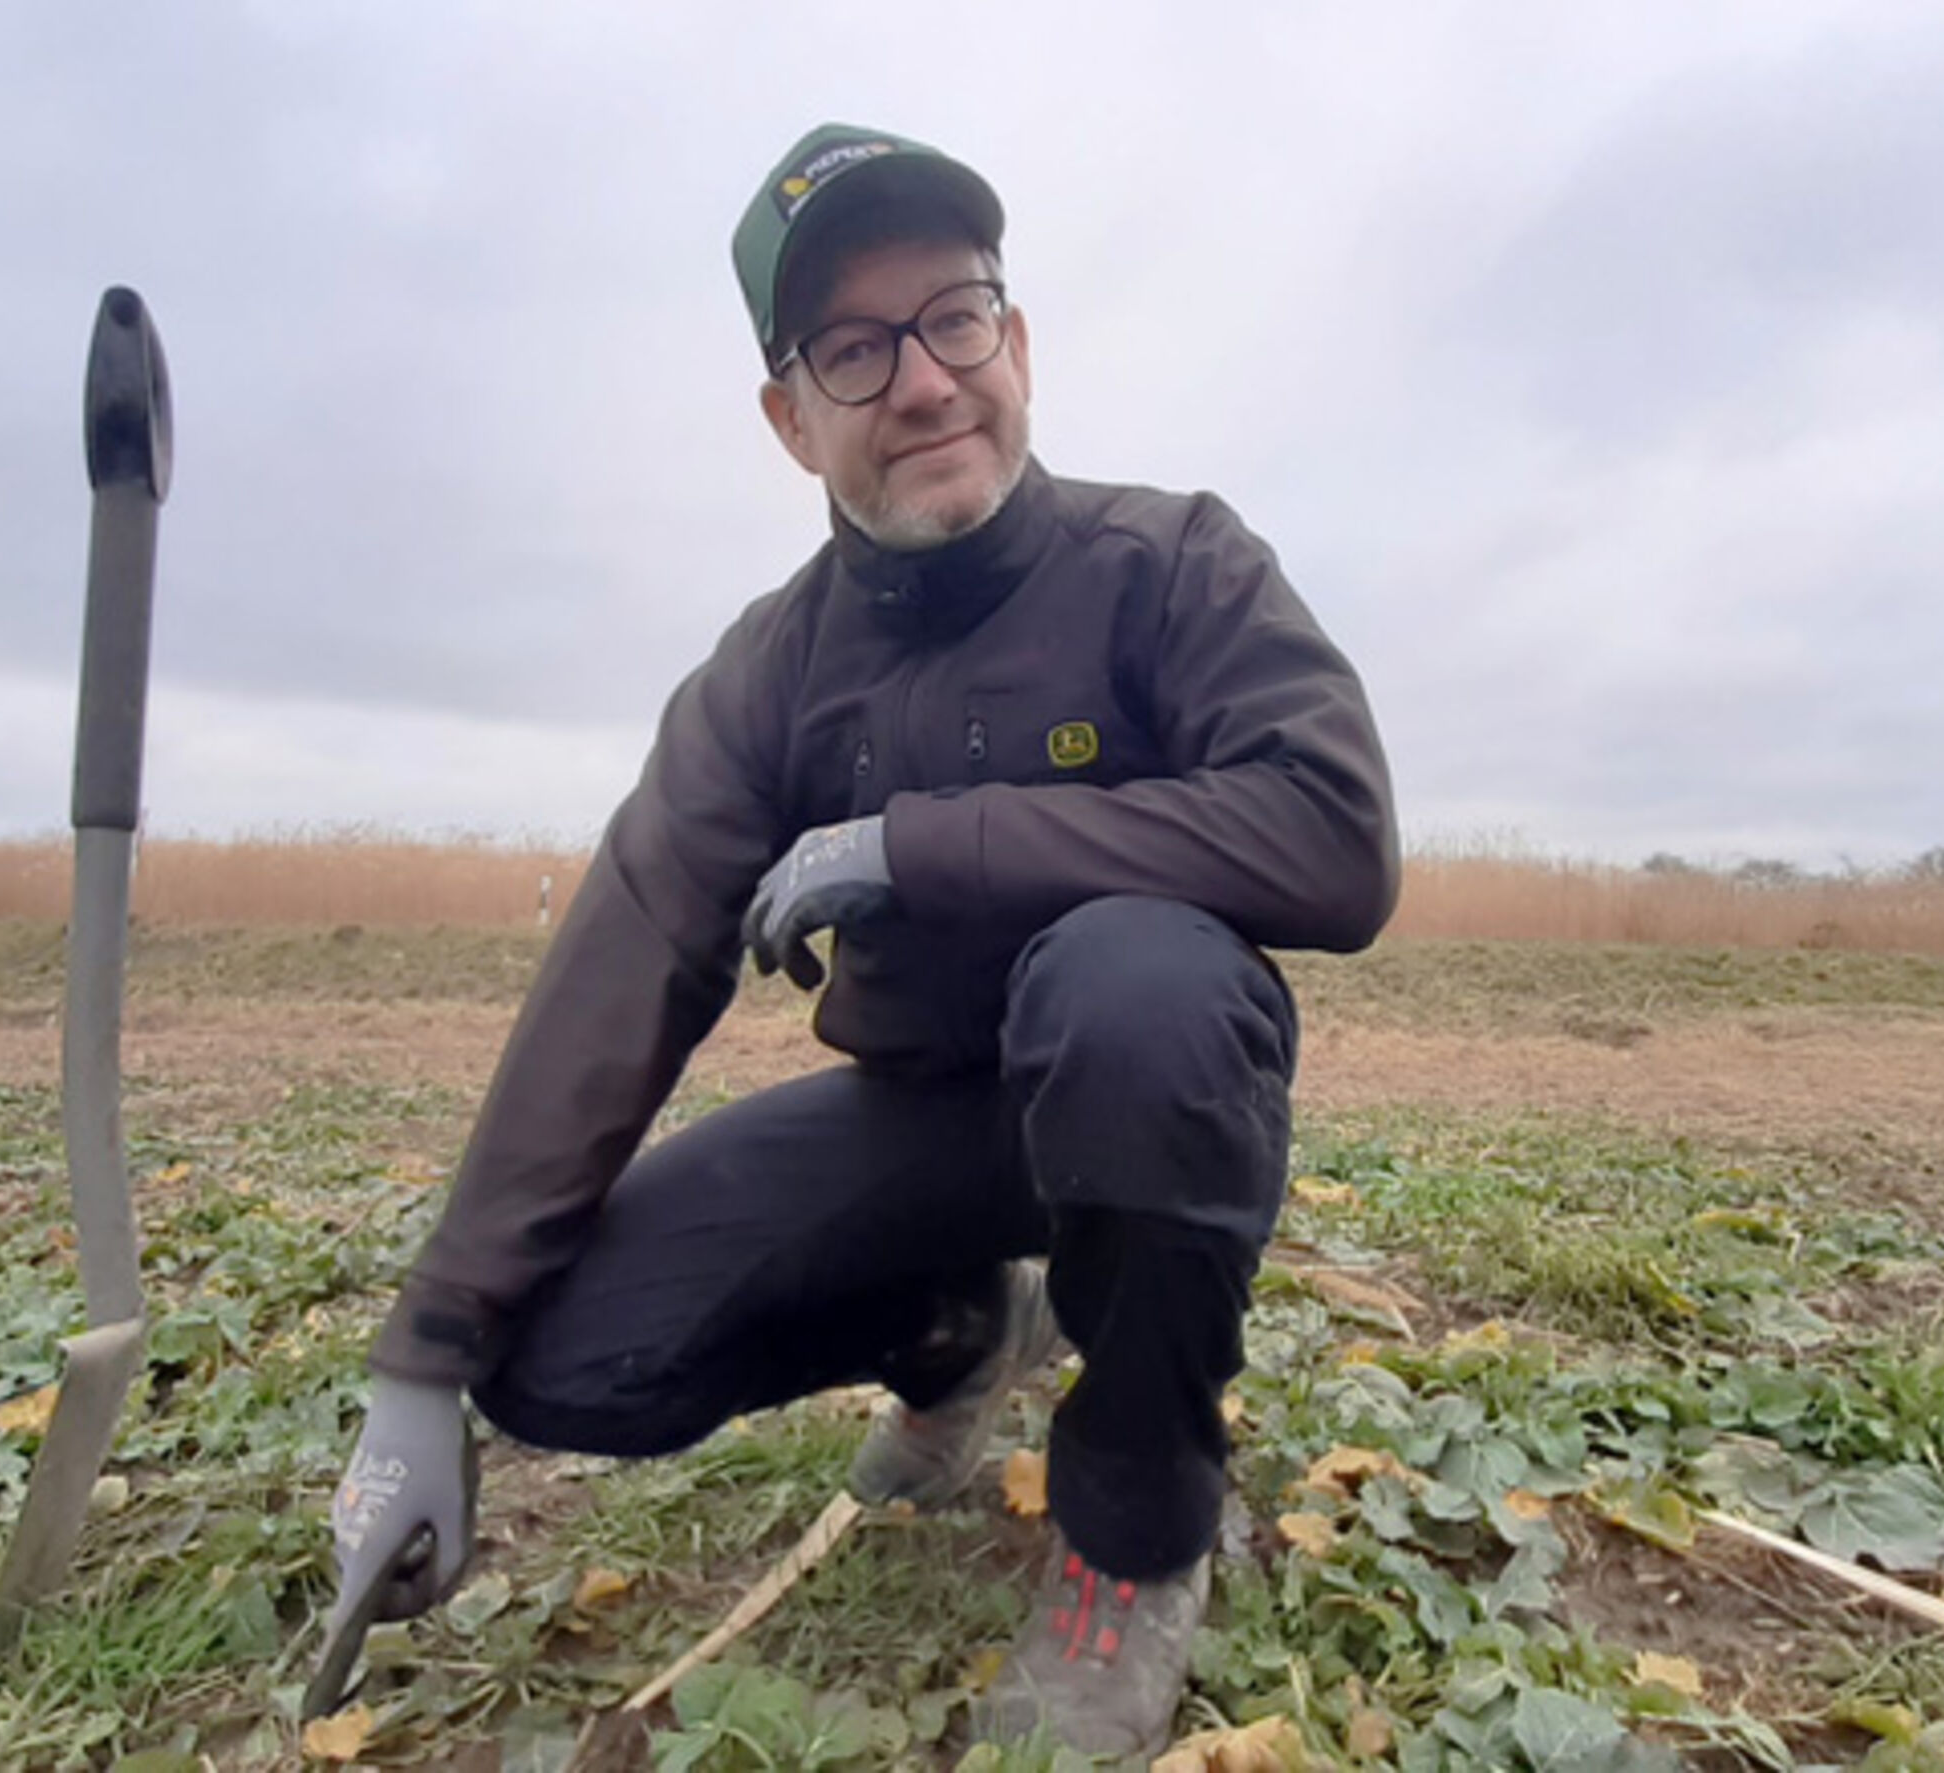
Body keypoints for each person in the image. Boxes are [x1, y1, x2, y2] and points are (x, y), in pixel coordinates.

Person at [330, 121, 1399, 1761]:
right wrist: (427, 1352)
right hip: (923, 1129)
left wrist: (924, 844)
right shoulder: (769, 673)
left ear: (1016, 341)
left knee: (1137, 990)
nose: (920, 382)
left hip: (1146, 1087)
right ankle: (963, 1323)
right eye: (853, 347)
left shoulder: (1173, 562)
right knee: (561, 1359)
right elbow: (629, 954)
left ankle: (1135, 1532)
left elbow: (1335, 837)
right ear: (790, 417)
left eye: (955, 317)